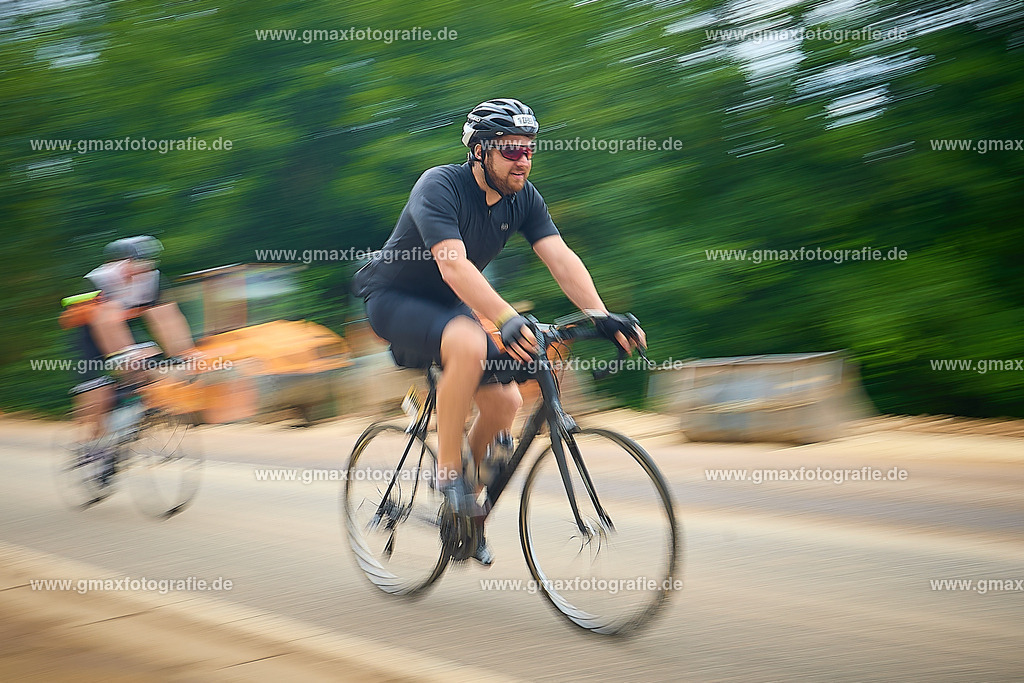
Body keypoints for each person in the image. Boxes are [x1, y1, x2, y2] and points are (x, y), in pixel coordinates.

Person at [352, 98, 645, 565]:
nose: (523, 160)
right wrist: (507, 318)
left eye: (529, 149)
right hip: (394, 298)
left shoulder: (524, 199)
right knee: (470, 342)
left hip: (451, 305)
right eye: (511, 149)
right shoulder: (439, 185)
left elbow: (560, 258)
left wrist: (600, 314)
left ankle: (464, 510)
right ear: (480, 151)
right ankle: (448, 473)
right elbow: (453, 265)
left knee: (506, 402)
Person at [64, 236, 196, 442]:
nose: (142, 271)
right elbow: (105, 321)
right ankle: (93, 444)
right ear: (122, 263)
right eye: (136, 264)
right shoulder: (100, 280)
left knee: (151, 364)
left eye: (147, 265)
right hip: (90, 333)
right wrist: (126, 354)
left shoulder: (153, 279)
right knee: (99, 393)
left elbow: (168, 319)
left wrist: (185, 353)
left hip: (124, 327)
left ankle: (131, 411)